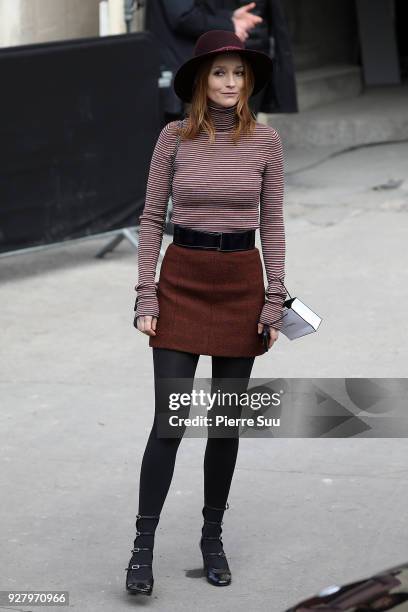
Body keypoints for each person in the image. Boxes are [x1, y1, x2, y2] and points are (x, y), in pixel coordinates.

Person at [125, 29, 286, 596]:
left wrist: (274, 295)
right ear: (199, 81)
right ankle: (141, 549)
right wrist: (146, 295)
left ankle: (211, 538)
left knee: (224, 427)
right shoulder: (173, 138)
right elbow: (149, 220)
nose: (229, 82)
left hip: (242, 284)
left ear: (247, 83)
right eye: (219, 73)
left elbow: (272, 224)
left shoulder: (266, 142)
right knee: (169, 423)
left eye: (238, 73)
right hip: (182, 282)